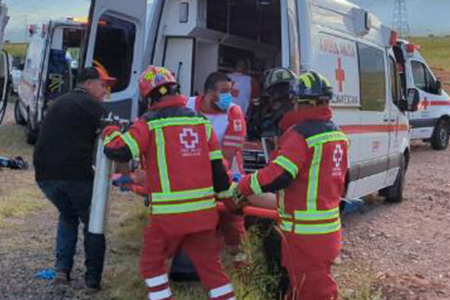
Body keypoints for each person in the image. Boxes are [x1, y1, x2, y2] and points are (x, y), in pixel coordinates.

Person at [103, 66, 235, 300]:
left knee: (151, 266)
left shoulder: (149, 123)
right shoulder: (201, 122)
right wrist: (230, 200)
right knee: (212, 272)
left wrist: (111, 131)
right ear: (176, 89)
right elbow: (219, 172)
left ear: (149, 97)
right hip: (203, 214)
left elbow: (121, 151)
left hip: (168, 217)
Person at [231, 69, 349, 300]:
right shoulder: (337, 135)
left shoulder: (301, 135)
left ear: (300, 102)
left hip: (304, 233)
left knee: (313, 292)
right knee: (310, 286)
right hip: (326, 229)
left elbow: (277, 175)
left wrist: (243, 186)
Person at [33, 67, 116, 291]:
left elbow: (35, 135)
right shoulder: (94, 106)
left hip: (44, 176)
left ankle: (61, 272)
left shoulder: (57, 103)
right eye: (102, 84)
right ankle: (92, 280)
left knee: (68, 215)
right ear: (88, 83)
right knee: (93, 221)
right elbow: (114, 142)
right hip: (75, 174)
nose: (105, 90)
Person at [185, 72, 247, 265]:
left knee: (231, 216)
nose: (229, 97)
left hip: (226, 171)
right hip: (193, 172)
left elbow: (226, 156)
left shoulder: (233, 113)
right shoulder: (186, 106)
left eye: (230, 91)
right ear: (210, 93)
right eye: (224, 92)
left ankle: (240, 260)